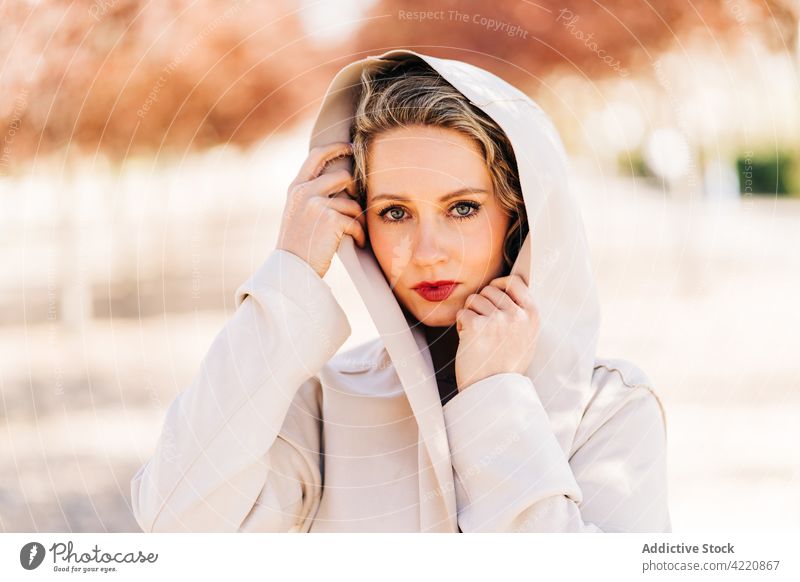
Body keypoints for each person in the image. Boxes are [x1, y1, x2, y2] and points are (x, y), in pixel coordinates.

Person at [130, 49, 672, 533]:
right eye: (395, 212)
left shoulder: (610, 409)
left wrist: (494, 399)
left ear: (519, 217)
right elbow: (178, 524)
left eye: (463, 207)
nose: (427, 250)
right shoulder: (325, 403)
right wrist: (289, 277)